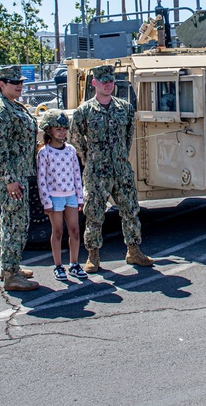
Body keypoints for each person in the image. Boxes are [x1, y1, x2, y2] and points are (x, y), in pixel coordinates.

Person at [70, 64, 154, 272]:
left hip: (121, 169)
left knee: (131, 210)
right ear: (94, 83)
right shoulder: (84, 111)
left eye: (111, 81)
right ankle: (93, 256)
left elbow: (128, 137)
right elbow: (75, 137)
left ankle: (133, 251)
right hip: (97, 171)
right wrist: (88, 158)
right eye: (104, 81)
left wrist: (120, 157)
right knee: (94, 214)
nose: (108, 85)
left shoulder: (124, 108)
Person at [0, 66, 39, 291]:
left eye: (20, 82)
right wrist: (9, 179)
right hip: (10, 176)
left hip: (18, 172)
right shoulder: (1, 111)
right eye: (13, 81)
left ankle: (10, 265)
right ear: (1, 84)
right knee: (15, 223)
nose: (19, 85)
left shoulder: (12, 106)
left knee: (11, 222)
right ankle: (10, 275)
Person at [36, 109, 88, 281]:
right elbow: (41, 178)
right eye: (58, 129)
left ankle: (74, 264)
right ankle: (58, 266)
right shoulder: (44, 153)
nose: (62, 132)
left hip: (71, 196)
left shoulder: (71, 150)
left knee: (74, 230)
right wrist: (46, 201)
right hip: (54, 197)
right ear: (49, 131)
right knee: (57, 231)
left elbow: (76, 175)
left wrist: (80, 198)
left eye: (64, 129)